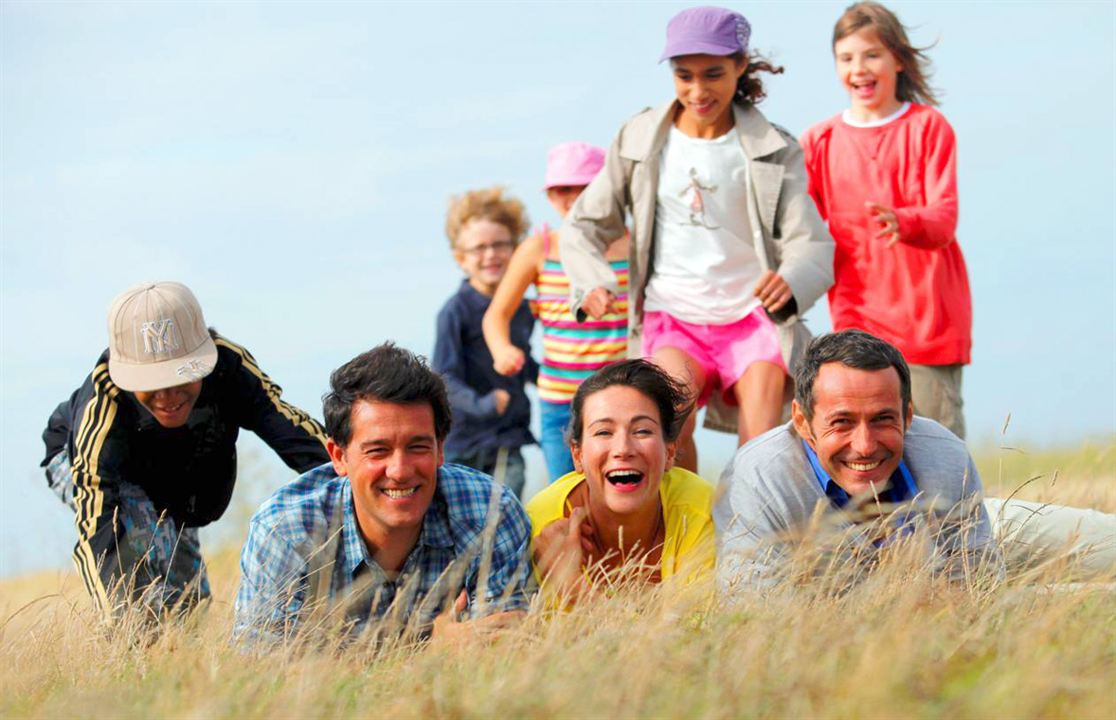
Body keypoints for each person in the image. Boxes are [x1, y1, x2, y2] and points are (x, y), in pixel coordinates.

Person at [560, 6, 834, 472]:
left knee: (762, 450)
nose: (698, 90)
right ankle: (689, 539)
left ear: (740, 65)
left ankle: (754, 542)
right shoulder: (641, 137)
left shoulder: (774, 147)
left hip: (753, 319)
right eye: (683, 76)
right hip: (674, 314)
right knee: (668, 429)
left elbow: (812, 244)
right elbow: (584, 224)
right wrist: (593, 283)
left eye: (713, 74)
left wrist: (791, 279)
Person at [40, 281, 330, 617]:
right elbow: (98, 520)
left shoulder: (230, 368)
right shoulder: (104, 401)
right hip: (83, 463)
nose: (168, 396)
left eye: (182, 377)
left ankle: (179, 647)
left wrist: (355, 477)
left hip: (166, 475)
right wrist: (122, 617)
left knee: (188, 600)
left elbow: (291, 431)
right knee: (143, 538)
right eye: (152, 383)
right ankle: (137, 638)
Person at [234, 343, 533, 643]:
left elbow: (505, 648)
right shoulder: (286, 529)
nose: (400, 470)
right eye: (378, 451)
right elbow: (263, 666)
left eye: (417, 447)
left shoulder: (490, 511)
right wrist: (432, 650)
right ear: (339, 457)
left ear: (441, 449)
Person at [714, 330, 1003, 588]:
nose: (864, 446)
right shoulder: (757, 477)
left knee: (1046, 540)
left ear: (909, 416)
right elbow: (754, 606)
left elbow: (982, 583)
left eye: (882, 419)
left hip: (998, 527)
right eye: (842, 422)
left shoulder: (945, 454)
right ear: (802, 422)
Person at [800, 2, 971, 438]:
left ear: (897, 58)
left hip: (928, 324)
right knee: (865, 447)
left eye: (871, 54)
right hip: (856, 323)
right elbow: (799, 227)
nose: (859, 68)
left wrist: (905, 221)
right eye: (847, 58)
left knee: (932, 445)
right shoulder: (819, 141)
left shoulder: (928, 127)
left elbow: (944, 217)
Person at [483, 142, 630, 482]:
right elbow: (497, 315)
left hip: (620, 396)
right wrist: (502, 350)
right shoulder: (540, 248)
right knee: (566, 495)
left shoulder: (633, 245)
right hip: (561, 401)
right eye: (563, 188)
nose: (574, 197)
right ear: (550, 195)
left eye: (585, 187)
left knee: (622, 492)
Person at [526, 359, 714, 603]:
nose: (623, 449)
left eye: (642, 431)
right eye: (604, 432)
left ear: (669, 452)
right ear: (577, 455)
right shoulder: (539, 527)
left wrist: (573, 588)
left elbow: (698, 635)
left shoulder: (699, 509)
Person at [433, 187, 537, 498]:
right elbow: (443, 378)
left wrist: (545, 377)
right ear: (461, 259)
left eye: (499, 245)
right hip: (465, 441)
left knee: (506, 510)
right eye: (479, 248)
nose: (490, 254)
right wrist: (484, 404)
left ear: (516, 250)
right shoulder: (456, 311)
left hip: (509, 436)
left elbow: (522, 358)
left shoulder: (521, 308)